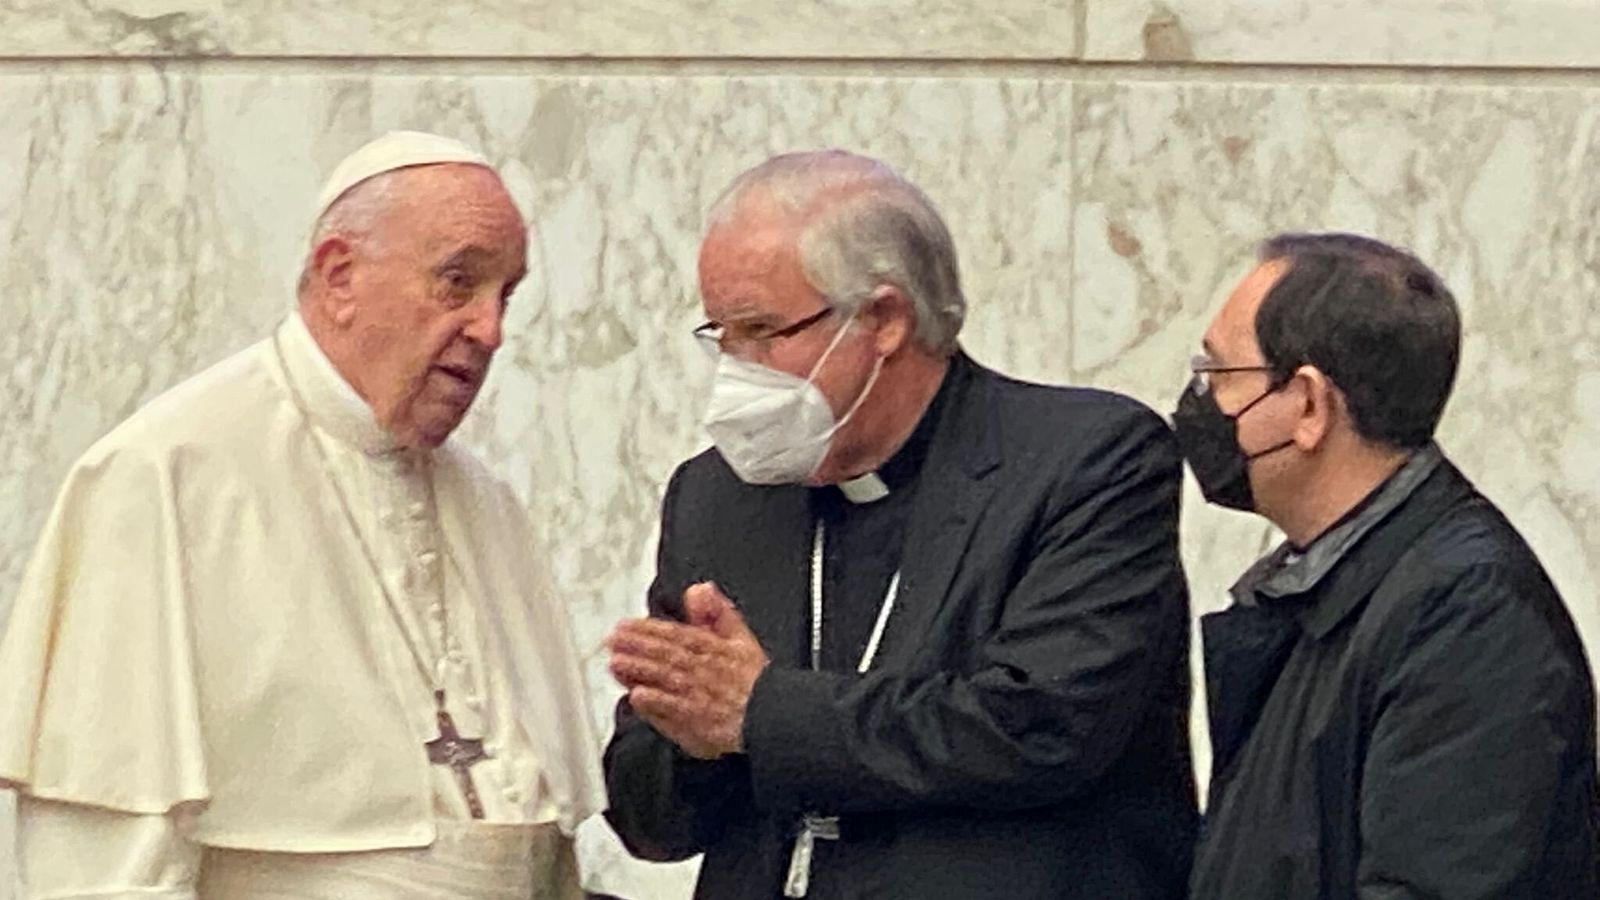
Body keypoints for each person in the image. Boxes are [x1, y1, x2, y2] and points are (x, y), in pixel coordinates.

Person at [0, 131, 604, 899]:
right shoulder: (164, 474)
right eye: (458, 283)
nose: (491, 330)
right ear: (339, 275)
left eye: (505, 295)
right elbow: (104, 865)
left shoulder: (487, 501)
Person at [602, 150, 1197, 899]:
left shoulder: (1085, 461)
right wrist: (686, 741)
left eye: (761, 331)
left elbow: (1039, 724)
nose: (737, 370)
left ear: (882, 319)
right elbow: (650, 822)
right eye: (722, 336)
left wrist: (762, 713)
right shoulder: (717, 497)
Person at [1175, 232, 1600, 899]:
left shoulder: (1470, 614)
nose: (1201, 402)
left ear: (1309, 405)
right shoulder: (1335, 584)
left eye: (1219, 375)